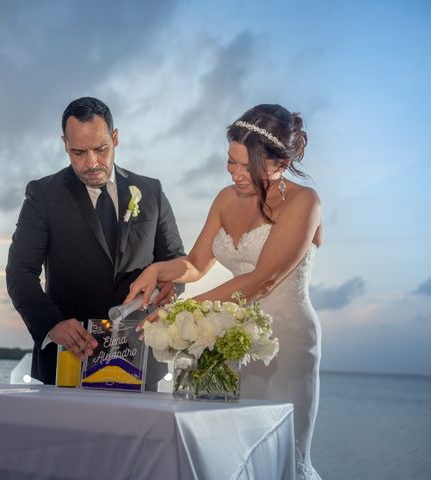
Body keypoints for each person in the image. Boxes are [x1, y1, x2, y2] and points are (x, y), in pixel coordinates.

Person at [126, 104, 322, 479]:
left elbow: (263, 279)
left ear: (278, 162)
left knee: (278, 456)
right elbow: (197, 264)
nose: (235, 173)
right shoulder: (225, 198)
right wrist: (157, 269)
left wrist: (181, 313)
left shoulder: (304, 202)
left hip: (286, 343)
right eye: (230, 162)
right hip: (231, 343)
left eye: (245, 166)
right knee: (231, 456)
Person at [6, 96, 185, 390]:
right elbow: (19, 273)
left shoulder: (151, 192)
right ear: (64, 143)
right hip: (68, 360)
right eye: (78, 152)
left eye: (101, 149)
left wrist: (167, 293)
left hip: (139, 358)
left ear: (115, 138)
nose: (91, 162)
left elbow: (176, 263)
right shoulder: (43, 195)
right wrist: (52, 324)